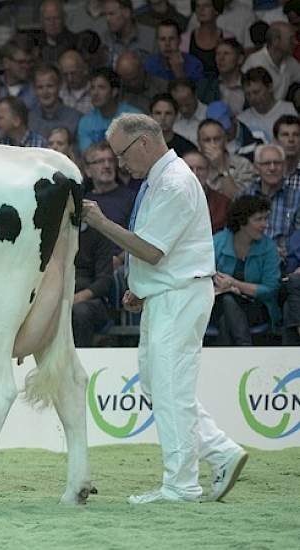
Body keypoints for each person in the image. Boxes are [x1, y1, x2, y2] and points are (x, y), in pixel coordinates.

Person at [82, 113, 248, 504]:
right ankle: (219, 452)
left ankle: (181, 484)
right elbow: (159, 248)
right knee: (158, 385)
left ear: (142, 143)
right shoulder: (160, 178)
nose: (120, 164)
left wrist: (101, 222)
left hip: (179, 295)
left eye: (122, 154)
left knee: (170, 390)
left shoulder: (172, 181)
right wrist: (141, 287)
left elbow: (152, 250)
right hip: (169, 293)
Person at [210, 195, 281, 345]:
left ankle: (237, 353)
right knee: (226, 301)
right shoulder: (218, 242)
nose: (264, 224)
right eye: (258, 219)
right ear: (242, 222)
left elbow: (270, 289)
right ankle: (245, 347)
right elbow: (202, 277)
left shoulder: (269, 248)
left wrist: (235, 284)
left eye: (265, 219)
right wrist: (224, 288)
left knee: (226, 318)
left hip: (256, 308)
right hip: (217, 304)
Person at [244, 143, 300, 255]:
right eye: (266, 163)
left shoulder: (297, 198)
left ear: (284, 166)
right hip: (250, 259)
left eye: (277, 163)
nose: (272, 168)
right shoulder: (244, 197)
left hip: (287, 262)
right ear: (256, 167)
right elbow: (234, 235)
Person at [77, 68, 142, 152]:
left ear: (114, 91)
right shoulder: (86, 121)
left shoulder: (134, 117)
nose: (95, 93)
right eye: (92, 88)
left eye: (101, 87)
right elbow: (87, 153)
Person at [73, 222, 115, 347]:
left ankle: (81, 357)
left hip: (92, 299)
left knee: (80, 312)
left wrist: (77, 298)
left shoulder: (100, 235)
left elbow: (104, 281)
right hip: (59, 295)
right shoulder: (58, 235)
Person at [242, 21, 300, 101]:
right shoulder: (254, 62)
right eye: (291, 38)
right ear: (276, 41)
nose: (296, 42)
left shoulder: (290, 61)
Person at [239, 67, 300, 142]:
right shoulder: (242, 120)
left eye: (256, 92)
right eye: (248, 94)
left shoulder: (289, 110)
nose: (252, 98)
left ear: (270, 87)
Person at [197, 118, 256, 196]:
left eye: (217, 139)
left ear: (225, 140)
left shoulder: (242, 164)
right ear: (199, 143)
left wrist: (221, 168)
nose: (213, 144)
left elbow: (238, 201)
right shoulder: (192, 167)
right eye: (207, 140)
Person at [182, 0, 234, 79]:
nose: (201, 9)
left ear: (216, 10)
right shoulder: (184, 39)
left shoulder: (228, 37)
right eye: (198, 6)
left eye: (206, 5)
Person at [183, 149, 233, 232]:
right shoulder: (167, 200)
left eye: (200, 169)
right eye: (190, 168)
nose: (195, 173)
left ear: (208, 171)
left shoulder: (223, 204)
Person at [28, 65, 83, 140]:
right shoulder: (29, 118)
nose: (45, 92)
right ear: (34, 89)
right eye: (40, 87)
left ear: (59, 86)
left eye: (50, 86)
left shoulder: (76, 119)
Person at [102, 0, 157, 66]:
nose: (107, 19)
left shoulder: (150, 35)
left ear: (127, 13)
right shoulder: (105, 38)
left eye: (111, 14)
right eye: (105, 15)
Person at [0, 34, 39, 111]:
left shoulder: (38, 89)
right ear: (6, 62)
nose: (27, 66)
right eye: (21, 62)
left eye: (30, 62)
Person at [39, 0, 78, 66]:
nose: (52, 23)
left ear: (64, 18)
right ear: (42, 21)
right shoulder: (36, 44)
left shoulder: (76, 42)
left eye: (56, 18)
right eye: (48, 19)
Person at [170, 78, 208, 145]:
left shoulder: (209, 115)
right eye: (179, 105)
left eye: (188, 104)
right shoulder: (170, 117)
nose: (184, 110)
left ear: (195, 96)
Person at [58, 49, 93, 113]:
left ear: (85, 69)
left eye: (73, 73)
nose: (70, 79)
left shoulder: (95, 92)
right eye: (65, 74)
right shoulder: (58, 93)